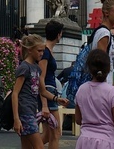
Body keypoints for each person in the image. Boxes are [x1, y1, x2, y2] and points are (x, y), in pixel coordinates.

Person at [40, 21, 65, 149]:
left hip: (50, 93)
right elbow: (41, 78)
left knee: (48, 134)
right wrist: (44, 104)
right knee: (56, 132)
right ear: (58, 34)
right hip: (47, 94)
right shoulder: (45, 52)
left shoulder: (47, 51)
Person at [94, 0, 114, 83]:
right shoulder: (104, 33)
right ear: (106, 13)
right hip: (102, 85)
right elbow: (100, 62)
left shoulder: (103, 32)